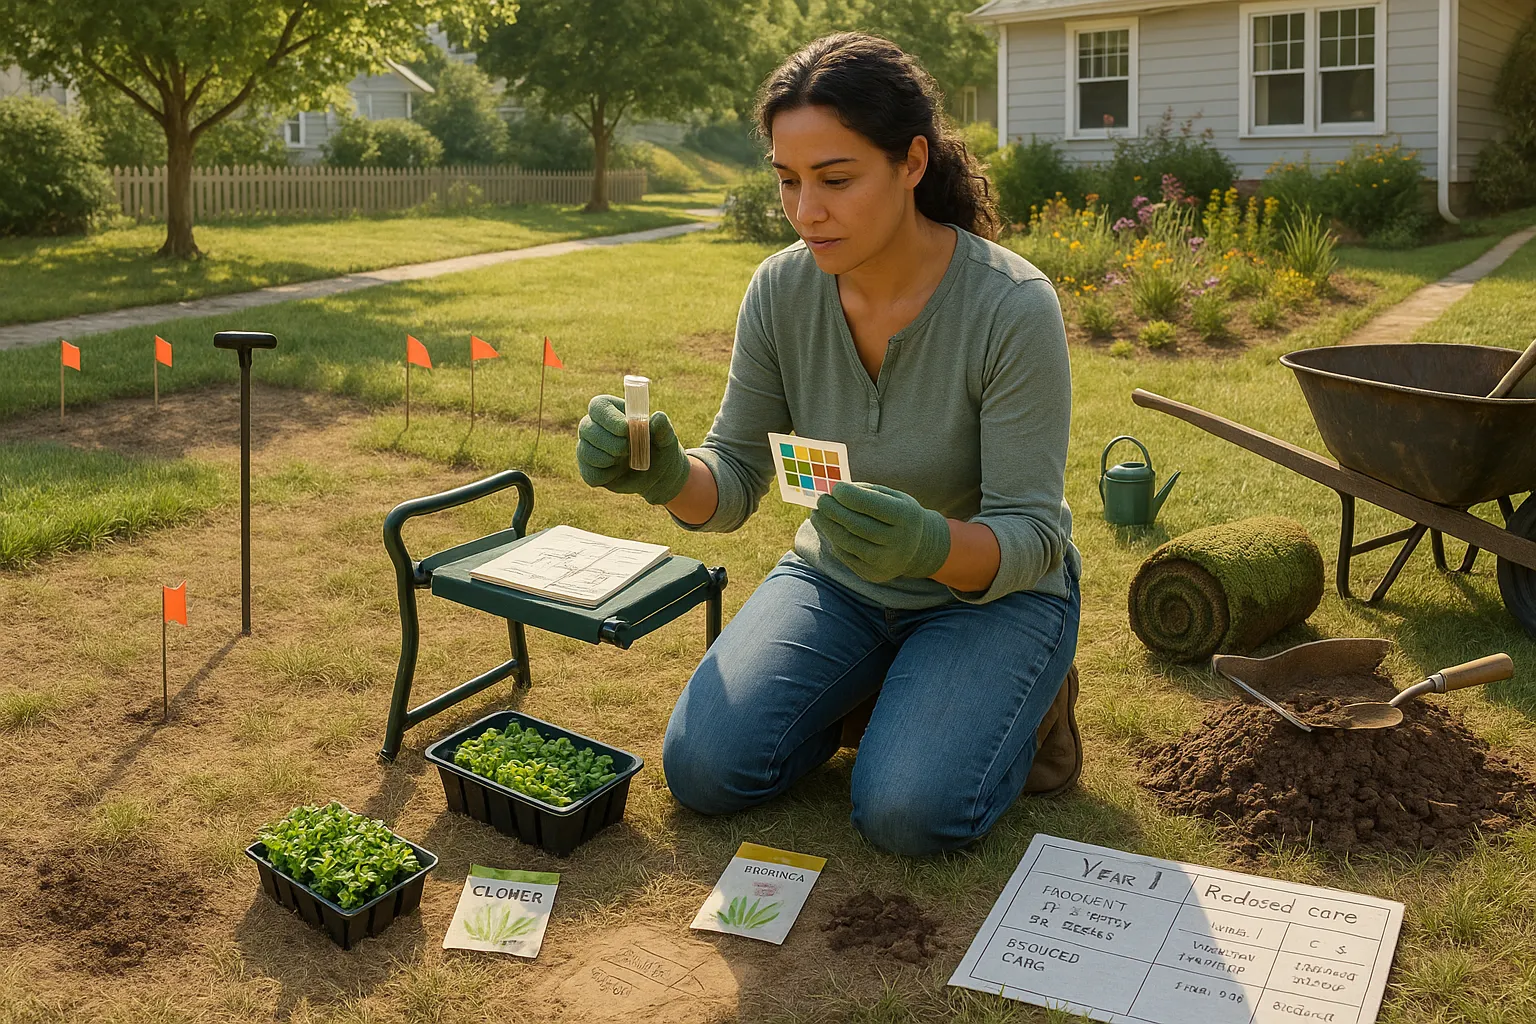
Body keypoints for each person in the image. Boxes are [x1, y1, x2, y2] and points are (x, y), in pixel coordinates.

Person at [575, 33, 1081, 857]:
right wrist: (664, 474)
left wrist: (927, 544)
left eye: (836, 180)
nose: (807, 210)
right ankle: (892, 690)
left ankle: (1012, 700)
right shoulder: (781, 290)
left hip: (991, 595)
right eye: (788, 181)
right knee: (704, 771)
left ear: (912, 162)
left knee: (907, 815)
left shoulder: (1011, 307)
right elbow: (733, 476)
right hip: (838, 580)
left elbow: (1031, 534)